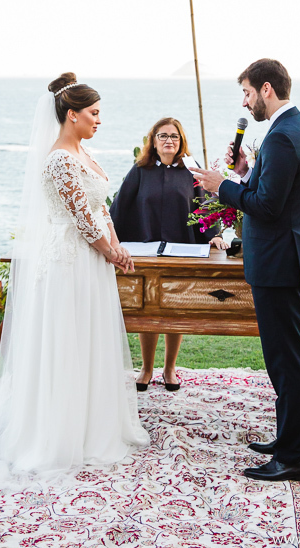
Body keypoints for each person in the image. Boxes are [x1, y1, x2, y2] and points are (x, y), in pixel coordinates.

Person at [0, 73, 149, 484]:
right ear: (72, 115)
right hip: (69, 262)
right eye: (94, 113)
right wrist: (109, 250)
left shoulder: (85, 155)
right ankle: (59, 433)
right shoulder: (58, 160)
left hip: (93, 260)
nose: (98, 120)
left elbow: (100, 208)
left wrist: (117, 244)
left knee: (90, 339)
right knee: (67, 342)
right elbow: (79, 216)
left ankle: (95, 423)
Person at [192, 59, 300, 483]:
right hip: (285, 258)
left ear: (266, 89)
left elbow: (266, 207)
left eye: (247, 93)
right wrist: (245, 172)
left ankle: (294, 456)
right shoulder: (296, 129)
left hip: (279, 263)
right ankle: (289, 440)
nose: (245, 102)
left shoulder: (284, 137)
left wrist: (221, 185)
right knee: (285, 358)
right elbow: (272, 194)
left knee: (285, 361)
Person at [110, 117, 225, 392]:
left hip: (181, 250)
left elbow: (206, 204)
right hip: (146, 251)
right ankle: (147, 369)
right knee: (149, 311)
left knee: (175, 308)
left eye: (174, 136)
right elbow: (119, 207)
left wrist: (215, 235)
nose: (169, 141)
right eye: (163, 136)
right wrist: (111, 241)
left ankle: (170, 368)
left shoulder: (192, 172)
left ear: (181, 141)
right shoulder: (139, 171)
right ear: (154, 140)